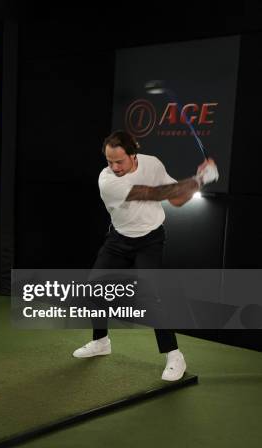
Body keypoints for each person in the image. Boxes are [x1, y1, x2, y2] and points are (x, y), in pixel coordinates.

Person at [72, 130, 218, 381]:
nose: (114, 166)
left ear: (133, 155)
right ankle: (101, 342)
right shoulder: (107, 181)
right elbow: (153, 194)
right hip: (119, 239)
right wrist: (200, 177)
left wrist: (200, 181)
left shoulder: (152, 164)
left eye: (119, 161)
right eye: (109, 161)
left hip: (149, 240)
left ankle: (175, 356)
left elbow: (176, 199)